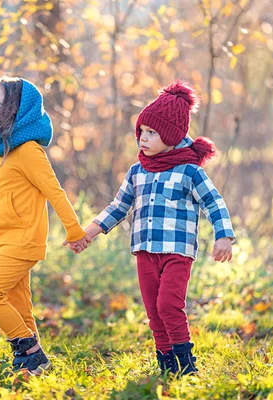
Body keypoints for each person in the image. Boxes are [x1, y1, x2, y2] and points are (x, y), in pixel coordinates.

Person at [72, 81, 235, 376]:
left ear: (171, 136)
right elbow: (119, 206)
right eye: (141, 132)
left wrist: (223, 236)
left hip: (176, 252)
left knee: (168, 305)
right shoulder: (137, 171)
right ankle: (166, 362)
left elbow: (214, 202)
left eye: (152, 133)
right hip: (145, 252)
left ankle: (187, 365)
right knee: (153, 312)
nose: (143, 139)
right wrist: (89, 233)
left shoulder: (189, 171)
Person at [0, 76, 89, 376]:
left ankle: (29, 351)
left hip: (23, 241)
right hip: (4, 241)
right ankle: (36, 365)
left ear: (15, 110)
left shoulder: (29, 151)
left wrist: (74, 231)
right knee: (19, 305)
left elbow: (55, 192)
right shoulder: (1, 151)